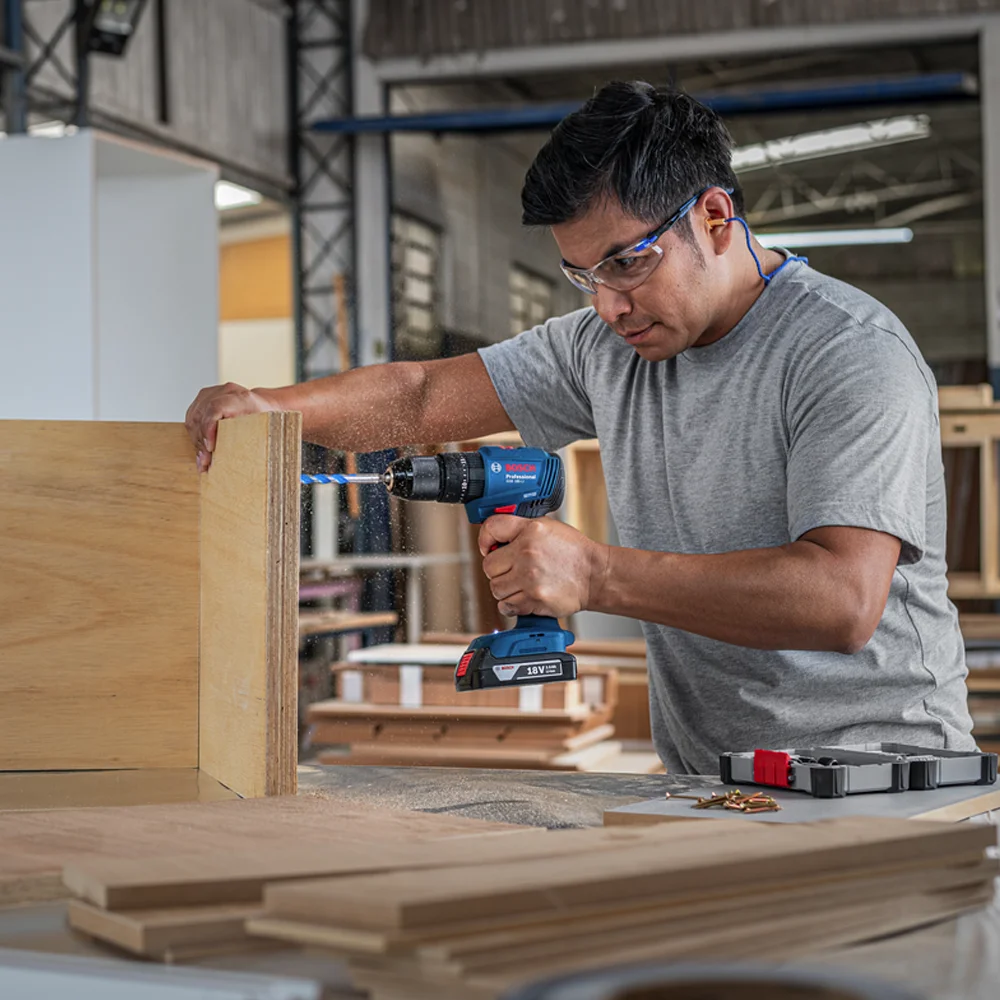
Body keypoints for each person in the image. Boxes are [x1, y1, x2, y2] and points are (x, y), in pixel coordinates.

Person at [187, 81, 974, 775]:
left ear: (713, 217)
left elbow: (841, 600)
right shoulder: (607, 348)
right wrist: (271, 408)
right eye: (583, 275)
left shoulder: (847, 352)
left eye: (627, 262)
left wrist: (596, 575)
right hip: (718, 786)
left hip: (884, 780)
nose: (608, 305)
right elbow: (422, 396)